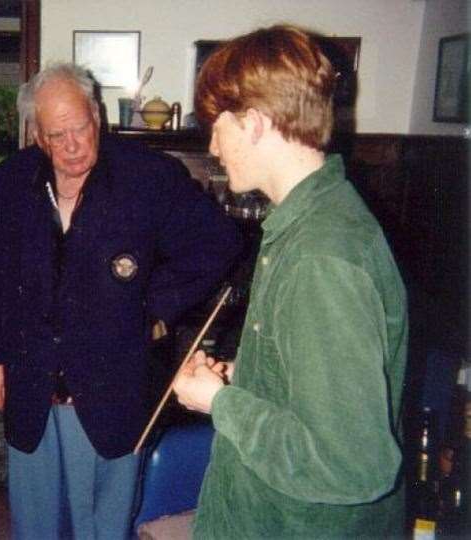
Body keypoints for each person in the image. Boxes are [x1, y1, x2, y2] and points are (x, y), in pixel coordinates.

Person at [0, 62, 240, 539]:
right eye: (57, 135)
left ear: (97, 116)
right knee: (35, 526)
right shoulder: (11, 181)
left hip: (110, 387)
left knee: (102, 527)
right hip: (29, 383)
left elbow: (218, 243)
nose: (72, 145)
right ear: (36, 134)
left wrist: (154, 306)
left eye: (81, 128)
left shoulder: (150, 176)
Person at [172, 25, 408, 538]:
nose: (212, 145)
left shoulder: (320, 257)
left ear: (254, 123)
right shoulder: (304, 224)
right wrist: (245, 375)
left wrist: (219, 402)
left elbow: (352, 464)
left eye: (217, 125)